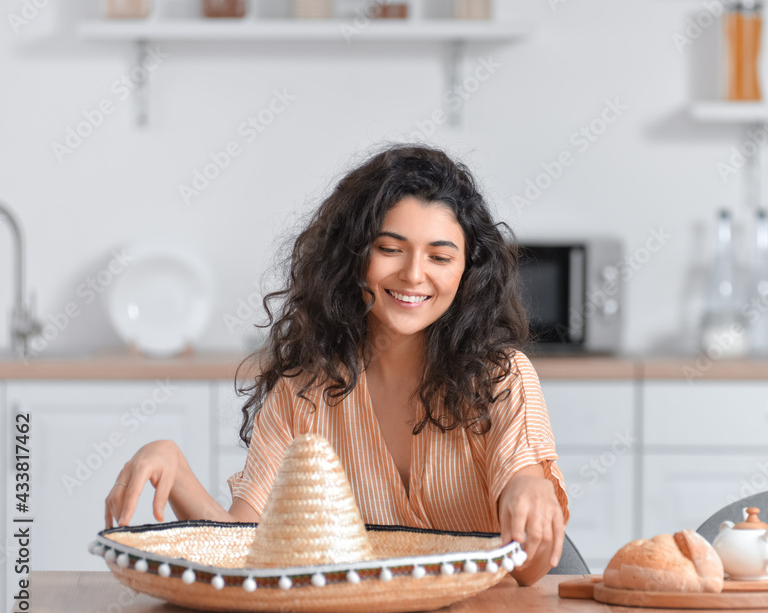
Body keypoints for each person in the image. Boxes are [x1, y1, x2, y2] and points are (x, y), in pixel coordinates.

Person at [105, 144, 570, 586]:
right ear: (352, 256)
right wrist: (176, 467)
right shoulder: (301, 391)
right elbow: (243, 548)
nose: (413, 274)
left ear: (467, 271)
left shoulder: (501, 378)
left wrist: (528, 490)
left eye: (440, 256)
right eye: (390, 249)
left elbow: (528, 573)